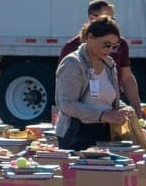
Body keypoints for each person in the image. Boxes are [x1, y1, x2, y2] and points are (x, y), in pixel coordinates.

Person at [55, 18, 137, 150]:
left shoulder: (109, 64)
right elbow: (67, 104)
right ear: (90, 37)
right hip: (76, 135)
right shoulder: (72, 63)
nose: (109, 50)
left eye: (114, 46)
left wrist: (123, 108)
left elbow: (107, 98)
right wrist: (102, 115)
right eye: (106, 44)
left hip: (105, 133)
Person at [59, 0, 140, 109]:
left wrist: (135, 107)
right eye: (106, 18)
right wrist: (101, 116)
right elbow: (66, 99)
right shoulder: (71, 50)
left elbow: (127, 78)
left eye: (113, 19)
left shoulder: (118, 48)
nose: (110, 50)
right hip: (82, 114)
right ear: (92, 18)